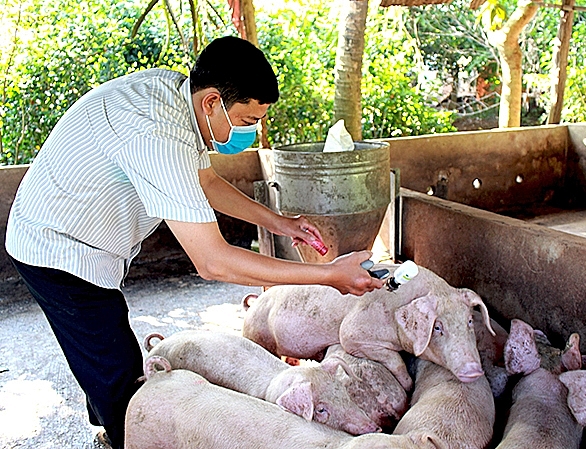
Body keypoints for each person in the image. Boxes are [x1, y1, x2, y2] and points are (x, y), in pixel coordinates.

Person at [5, 36, 383, 448]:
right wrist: (327, 275)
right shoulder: (157, 133)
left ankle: (102, 409)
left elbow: (204, 182)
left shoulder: (178, 98)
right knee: (122, 377)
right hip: (58, 247)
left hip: (90, 239)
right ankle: (122, 430)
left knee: (101, 347)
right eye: (245, 121)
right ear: (212, 103)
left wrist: (279, 223)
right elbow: (213, 262)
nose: (251, 133)